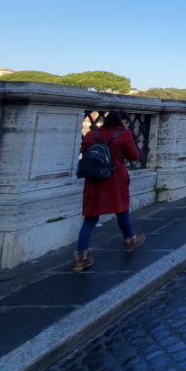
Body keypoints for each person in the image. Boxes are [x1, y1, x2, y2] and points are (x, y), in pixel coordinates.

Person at [74, 110, 145, 272]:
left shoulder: (93, 134)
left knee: (90, 218)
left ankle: (81, 257)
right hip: (115, 178)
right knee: (121, 209)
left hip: (94, 179)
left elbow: (85, 153)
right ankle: (129, 239)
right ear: (123, 121)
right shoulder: (124, 134)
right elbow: (134, 156)